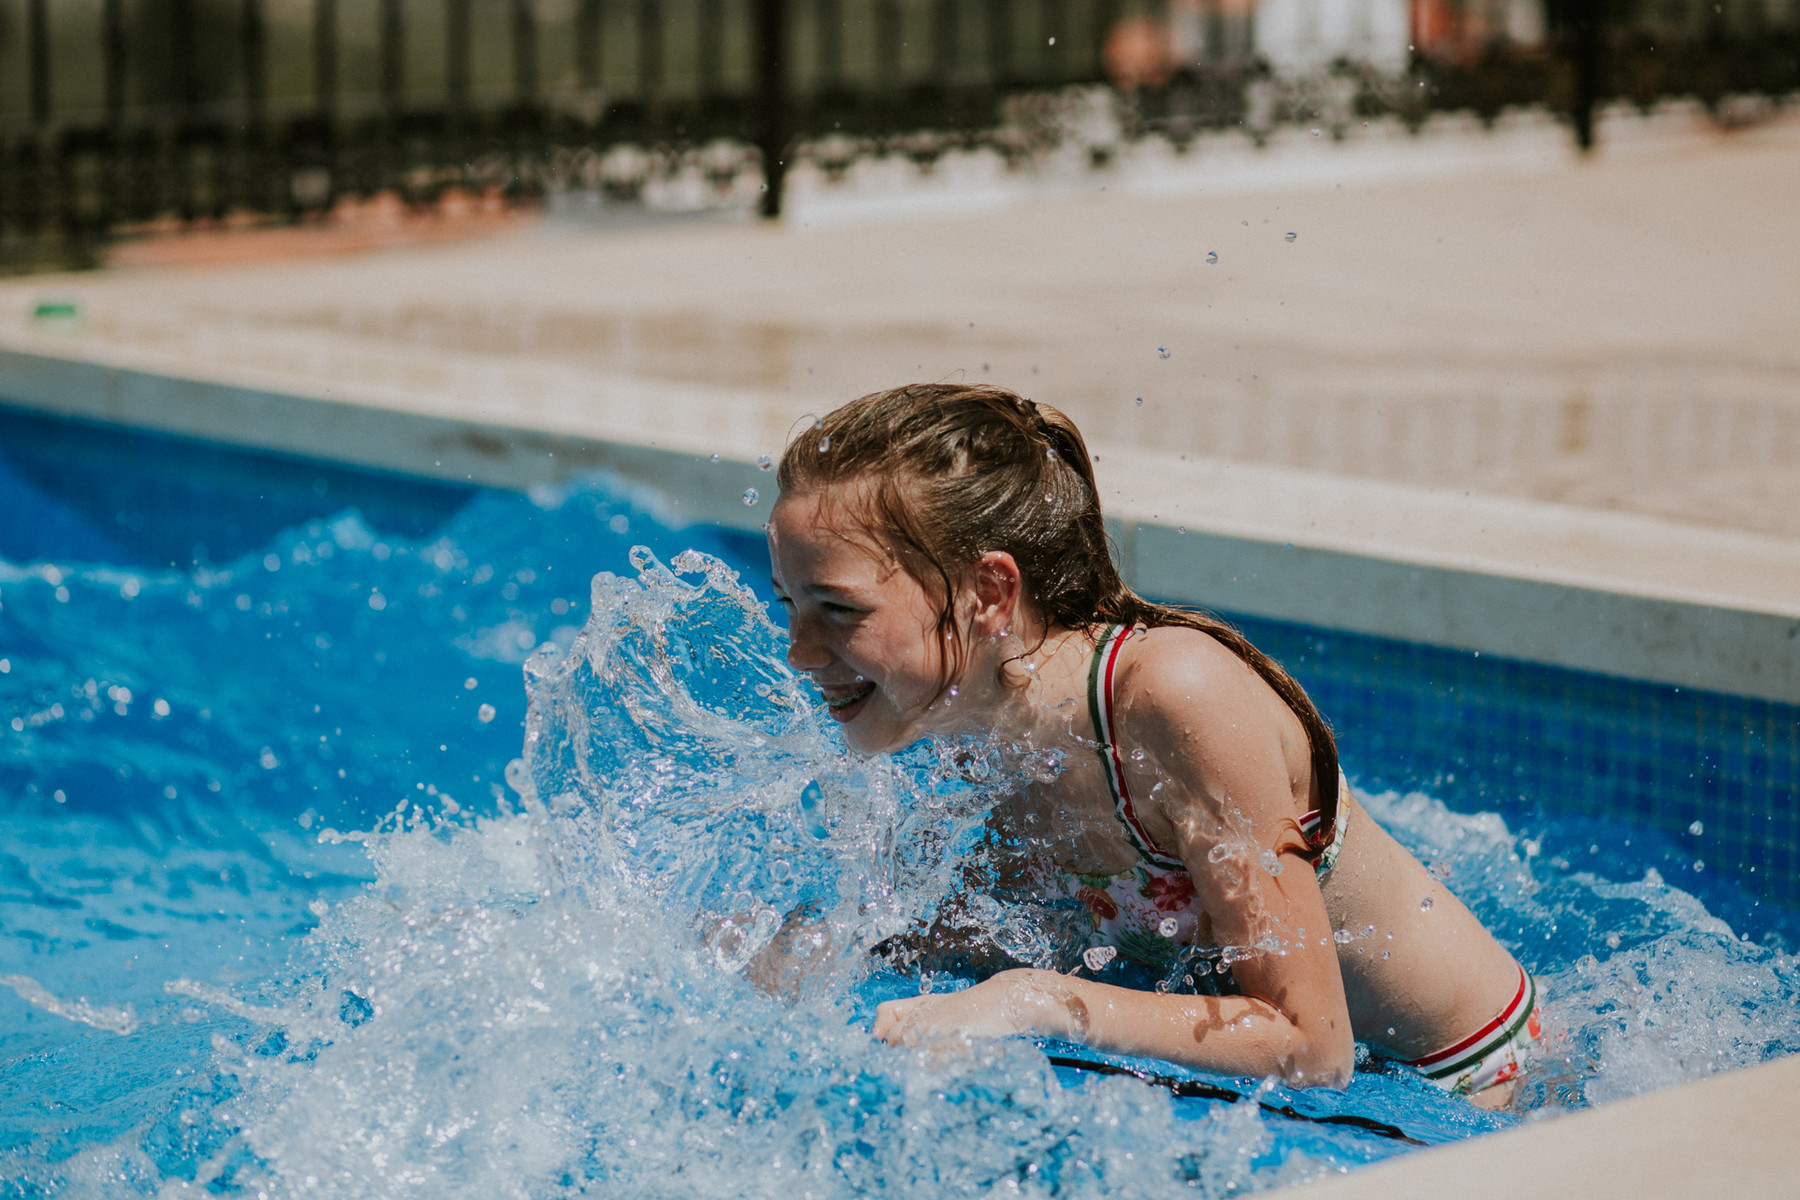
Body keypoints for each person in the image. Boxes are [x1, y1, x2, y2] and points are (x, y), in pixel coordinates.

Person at [764, 383, 1541, 1106]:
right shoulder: (964, 712)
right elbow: (1035, 928)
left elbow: (1312, 1047)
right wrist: (834, 947)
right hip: (1353, 1095)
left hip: (1470, 1087)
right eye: (790, 603)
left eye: (837, 608)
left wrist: (1033, 1001)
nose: (799, 650)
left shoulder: (1171, 697)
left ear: (989, 594)